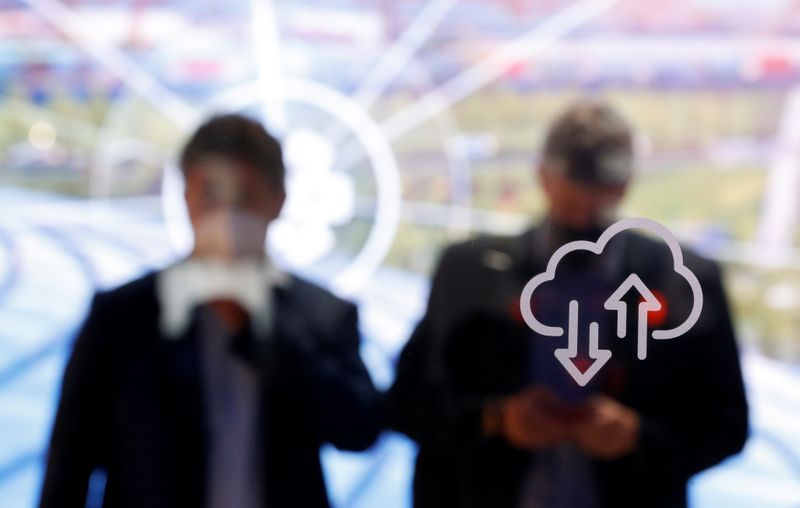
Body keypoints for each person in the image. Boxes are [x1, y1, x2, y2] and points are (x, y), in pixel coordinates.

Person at [389, 101, 748, 508]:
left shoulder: (684, 280)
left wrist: (637, 436)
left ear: (625, 185)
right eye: (574, 201)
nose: (585, 218)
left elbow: (727, 425)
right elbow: (406, 404)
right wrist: (496, 419)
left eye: (600, 200)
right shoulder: (470, 273)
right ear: (543, 176)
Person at [39, 114, 382, 508]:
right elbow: (69, 465)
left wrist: (260, 326)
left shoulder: (320, 313)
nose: (226, 214)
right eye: (211, 194)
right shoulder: (123, 317)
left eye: (244, 196)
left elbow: (360, 429)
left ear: (278, 201)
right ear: (186, 196)